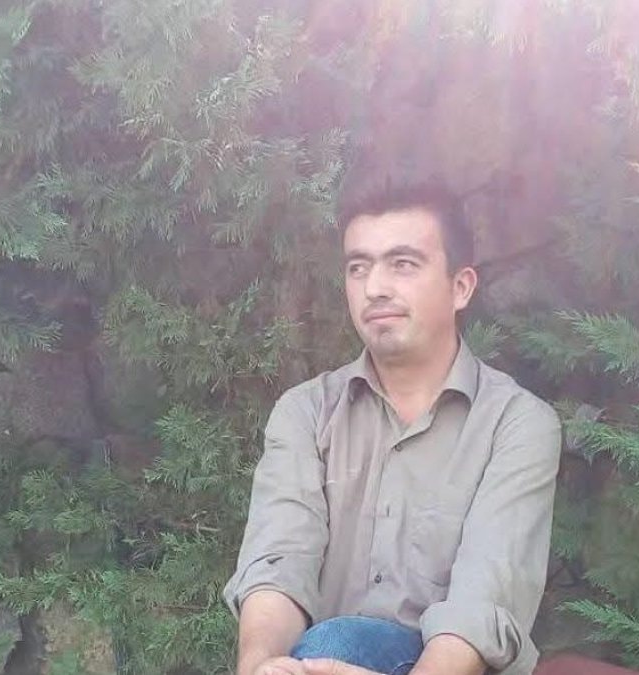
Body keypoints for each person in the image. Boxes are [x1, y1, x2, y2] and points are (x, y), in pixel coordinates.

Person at [222, 181, 562, 675]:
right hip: (319, 664)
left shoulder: (516, 424)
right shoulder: (306, 412)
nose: (374, 287)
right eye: (358, 267)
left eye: (402, 264)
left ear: (461, 287)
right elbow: (279, 563)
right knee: (332, 643)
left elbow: (483, 603)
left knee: (340, 639)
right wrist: (259, 667)